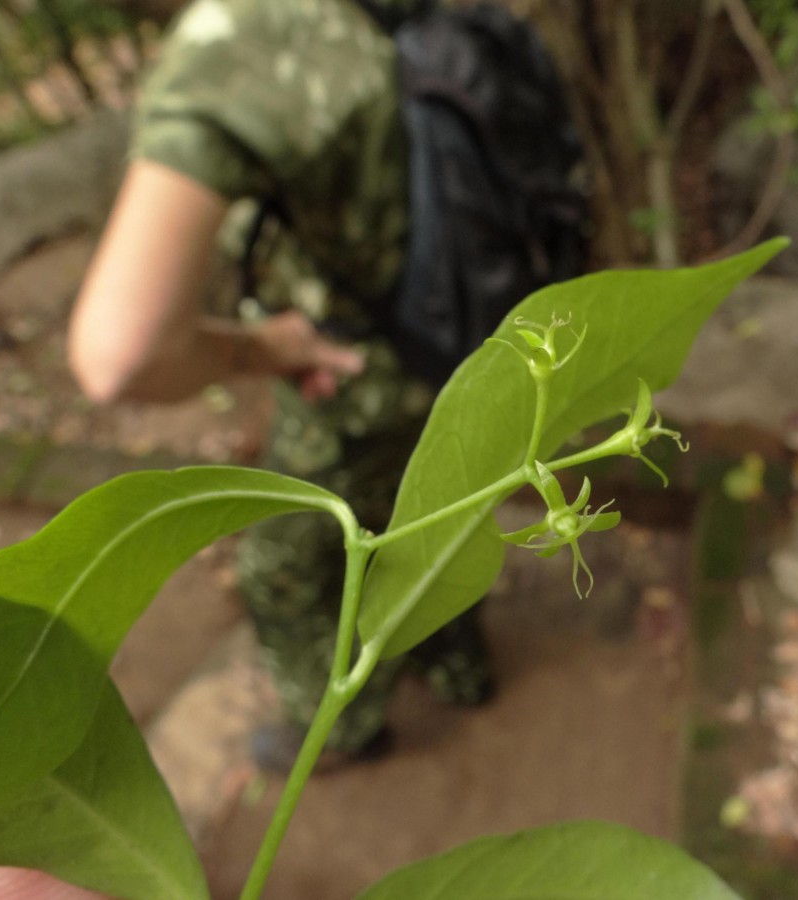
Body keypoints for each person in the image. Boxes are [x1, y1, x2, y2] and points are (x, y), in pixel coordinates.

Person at [69, 0, 494, 773]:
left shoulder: (247, 31)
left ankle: (343, 728)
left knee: (282, 567)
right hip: (475, 355)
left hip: (347, 378)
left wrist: (266, 348)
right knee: (438, 515)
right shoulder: (418, 20)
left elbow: (118, 355)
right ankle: (463, 670)